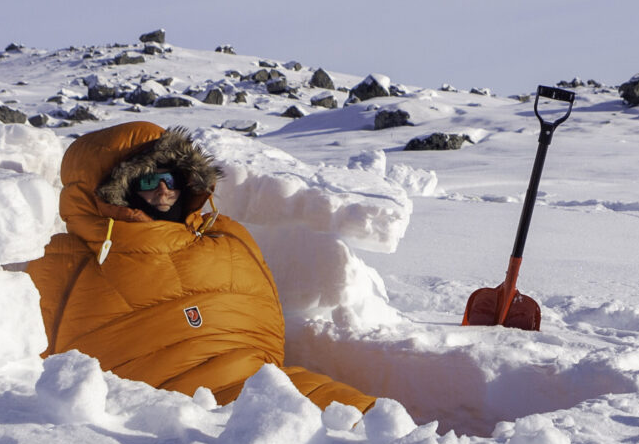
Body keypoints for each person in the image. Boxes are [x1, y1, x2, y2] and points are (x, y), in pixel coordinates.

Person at [23, 122, 375, 412]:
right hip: (167, 408)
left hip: (262, 383)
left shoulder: (225, 235)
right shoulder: (64, 262)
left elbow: (264, 324)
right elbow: (24, 361)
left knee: (377, 423)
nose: (163, 190)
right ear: (111, 191)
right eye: (147, 181)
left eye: (171, 180)